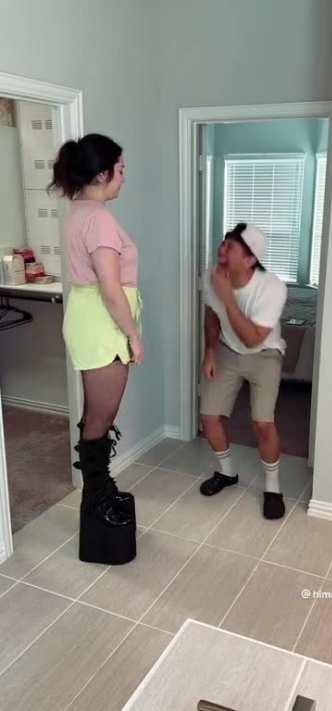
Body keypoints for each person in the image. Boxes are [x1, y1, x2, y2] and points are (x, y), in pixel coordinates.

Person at [49, 133, 143, 563]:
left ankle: (99, 490)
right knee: (100, 420)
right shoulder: (99, 219)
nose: (123, 177)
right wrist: (133, 336)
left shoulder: (80, 211)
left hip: (93, 320)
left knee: (96, 417)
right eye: (120, 170)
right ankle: (97, 496)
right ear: (103, 174)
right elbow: (110, 287)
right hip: (103, 324)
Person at [200, 223, 287, 519]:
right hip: (227, 350)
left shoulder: (272, 287)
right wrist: (210, 352)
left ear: (250, 259)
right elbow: (212, 316)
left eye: (231, 246)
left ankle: (273, 488)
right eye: (223, 242)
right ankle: (227, 472)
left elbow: (252, 339)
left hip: (265, 355)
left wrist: (227, 296)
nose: (222, 248)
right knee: (209, 417)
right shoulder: (212, 276)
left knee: (262, 423)